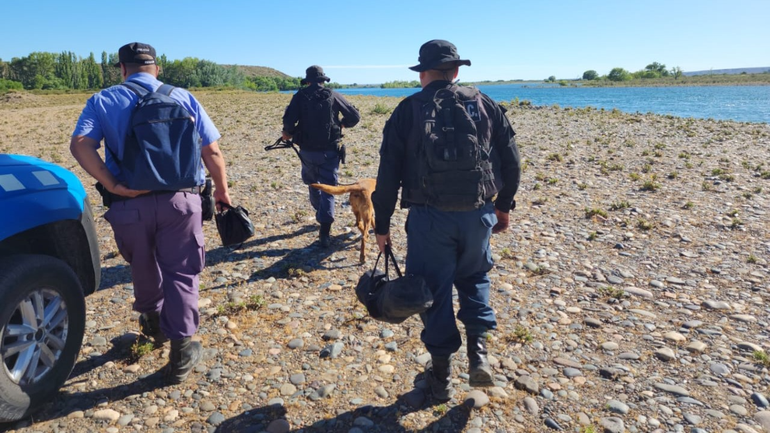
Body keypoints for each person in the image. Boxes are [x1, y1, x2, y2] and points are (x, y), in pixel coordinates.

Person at [70, 42, 232, 385]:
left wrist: (112, 185)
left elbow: (80, 144)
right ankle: (182, 349)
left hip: (129, 203)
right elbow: (212, 151)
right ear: (156, 68)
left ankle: (154, 322)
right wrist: (222, 191)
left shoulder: (103, 99)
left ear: (123, 68)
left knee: (142, 264)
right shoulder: (184, 97)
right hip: (181, 201)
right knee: (183, 272)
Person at [372, 40, 520, 401]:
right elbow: (512, 161)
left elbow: (388, 173)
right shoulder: (485, 104)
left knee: (433, 292)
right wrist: (503, 207)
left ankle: (441, 378)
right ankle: (479, 354)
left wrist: (382, 226)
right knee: (474, 278)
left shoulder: (407, 110)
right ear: (456, 72)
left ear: (422, 73)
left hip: (428, 218)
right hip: (477, 214)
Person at [282, 65, 360, 247]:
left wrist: (288, 132)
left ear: (308, 81)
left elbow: (288, 120)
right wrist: (342, 124)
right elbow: (354, 116)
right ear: (323, 80)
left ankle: (321, 215)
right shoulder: (333, 95)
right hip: (330, 151)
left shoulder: (299, 96)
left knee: (312, 183)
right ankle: (325, 229)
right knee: (329, 187)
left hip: (307, 151)